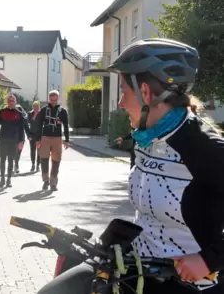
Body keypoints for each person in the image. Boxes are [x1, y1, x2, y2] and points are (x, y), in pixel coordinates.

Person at [37, 38, 224, 294]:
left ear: (145, 92)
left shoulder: (206, 146)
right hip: (135, 268)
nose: (120, 103)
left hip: (191, 284)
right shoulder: (145, 138)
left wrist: (208, 259)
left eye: (123, 92)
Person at [34, 90, 69, 191]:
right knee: (44, 159)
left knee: (56, 161)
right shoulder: (44, 110)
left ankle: (53, 183)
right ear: (49, 99)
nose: (53, 101)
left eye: (55, 99)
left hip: (57, 138)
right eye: (51, 99)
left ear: (58, 99)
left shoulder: (62, 111)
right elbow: (38, 125)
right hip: (45, 137)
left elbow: (66, 126)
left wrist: (67, 140)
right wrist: (37, 139)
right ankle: (46, 181)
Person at [0, 95, 24, 188]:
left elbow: (21, 129)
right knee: (2, 159)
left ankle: (9, 179)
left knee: (11, 160)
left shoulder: (19, 114)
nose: (11, 102)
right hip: (3, 139)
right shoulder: (2, 112)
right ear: (7, 102)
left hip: (14, 140)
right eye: (9, 101)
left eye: (13, 101)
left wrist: (21, 141)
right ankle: (2, 178)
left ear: (15, 102)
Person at [14, 104, 32, 173]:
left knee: (18, 153)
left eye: (18, 110)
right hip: (13, 138)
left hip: (21, 138)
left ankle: (16, 165)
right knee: (14, 152)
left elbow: (26, 128)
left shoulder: (23, 119)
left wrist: (29, 136)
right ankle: (15, 165)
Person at [27, 101, 41, 172]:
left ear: (39, 107)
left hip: (39, 135)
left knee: (39, 151)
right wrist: (35, 114)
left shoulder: (41, 113)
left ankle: (38, 165)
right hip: (32, 134)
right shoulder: (30, 113)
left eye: (37, 106)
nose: (36, 108)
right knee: (32, 150)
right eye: (34, 106)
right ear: (32, 107)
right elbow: (30, 122)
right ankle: (33, 164)